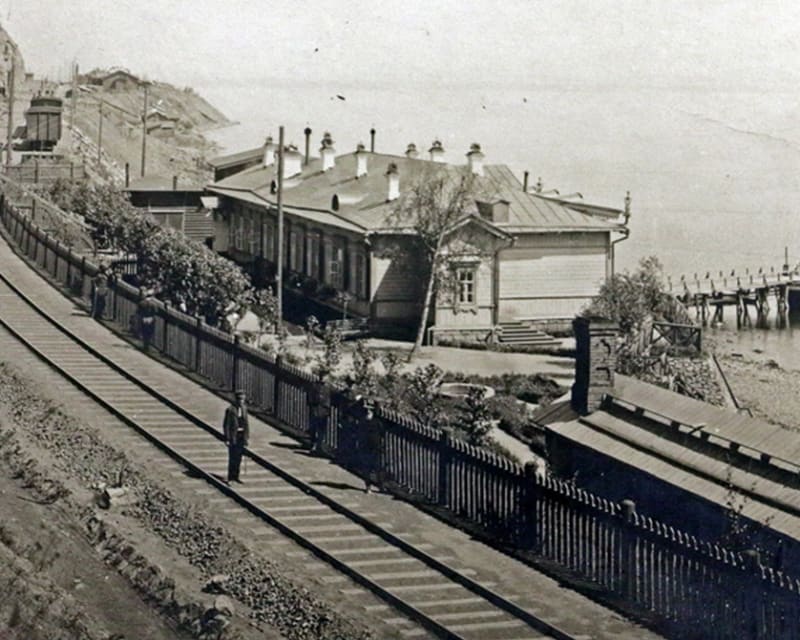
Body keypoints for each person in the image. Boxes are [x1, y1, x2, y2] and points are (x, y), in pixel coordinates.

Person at [349, 396, 384, 493]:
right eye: (366, 410)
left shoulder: (377, 422)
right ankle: (368, 486)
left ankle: (381, 485)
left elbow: (381, 433)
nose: (368, 412)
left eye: (370, 410)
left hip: (375, 446)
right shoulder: (362, 422)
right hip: (365, 445)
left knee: (378, 466)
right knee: (366, 466)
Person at [223, 390, 249, 483]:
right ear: (236, 399)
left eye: (242, 399)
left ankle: (236, 476)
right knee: (232, 457)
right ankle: (230, 477)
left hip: (241, 435)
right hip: (234, 436)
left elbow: (246, 424)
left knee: (239, 457)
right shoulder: (230, 410)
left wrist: (246, 437)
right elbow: (226, 425)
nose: (241, 401)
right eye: (239, 399)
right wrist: (227, 438)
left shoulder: (244, 409)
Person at [307, 377, 331, 454]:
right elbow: (310, 398)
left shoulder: (328, 387)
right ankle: (313, 445)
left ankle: (319, 445)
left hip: (323, 411)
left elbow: (329, 399)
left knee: (321, 429)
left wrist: (327, 409)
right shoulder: (314, 386)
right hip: (316, 409)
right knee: (314, 428)